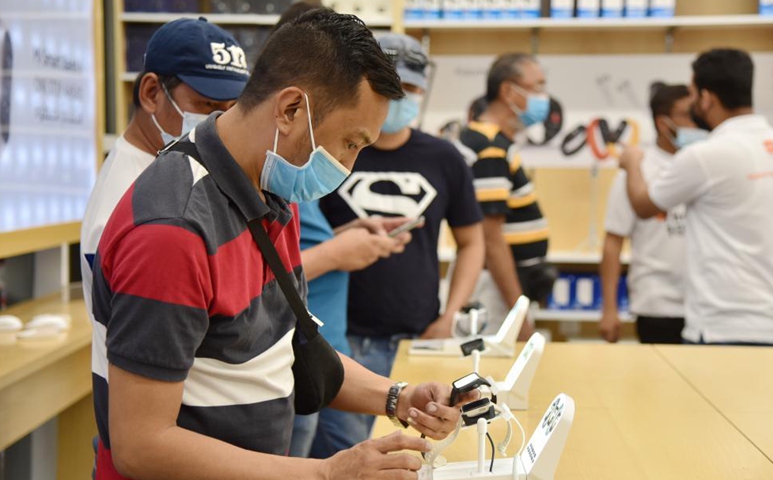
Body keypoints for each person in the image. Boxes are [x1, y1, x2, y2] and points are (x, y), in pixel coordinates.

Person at [91, 10, 474, 480]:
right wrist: (324, 472)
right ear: (291, 110)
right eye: (349, 143)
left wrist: (398, 397)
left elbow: (287, 345)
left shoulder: (270, 193)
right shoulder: (173, 230)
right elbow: (141, 445)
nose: (348, 166)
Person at [80, 19, 249, 477]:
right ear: (152, 93)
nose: (220, 122)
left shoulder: (171, 169)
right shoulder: (144, 200)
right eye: (207, 105)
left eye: (233, 107)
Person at [317, 33, 485, 454]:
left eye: (410, 88)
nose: (400, 97)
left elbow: (472, 242)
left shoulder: (444, 158)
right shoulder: (332, 152)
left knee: (420, 451)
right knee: (346, 455)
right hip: (344, 340)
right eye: (390, 86)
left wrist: (450, 314)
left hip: (422, 336)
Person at [276, 2, 415, 459]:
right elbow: (260, 278)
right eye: (349, 142)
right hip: (288, 364)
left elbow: (296, 245)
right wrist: (338, 253)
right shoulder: (272, 170)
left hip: (320, 356)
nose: (346, 163)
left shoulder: (292, 170)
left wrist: (351, 231)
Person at [620, 48, 773, 346]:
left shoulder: (704, 156)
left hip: (724, 328)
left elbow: (643, 205)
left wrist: (632, 164)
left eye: (692, 95)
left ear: (706, 98)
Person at [460, 53, 558, 337]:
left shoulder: (493, 141)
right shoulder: (490, 147)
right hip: (496, 289)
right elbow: (491, 239)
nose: (543, 96)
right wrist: (520, 315)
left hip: (503, 286)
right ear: (507, 91)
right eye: (537, 87)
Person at [599, 83, 694, 344]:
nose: (697, 121)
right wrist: (609, 309)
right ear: (664, 123)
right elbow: (613, 241)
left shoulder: (704, 163)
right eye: (688, 114)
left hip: (705, 305)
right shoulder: (637, 169)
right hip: (657, 305)